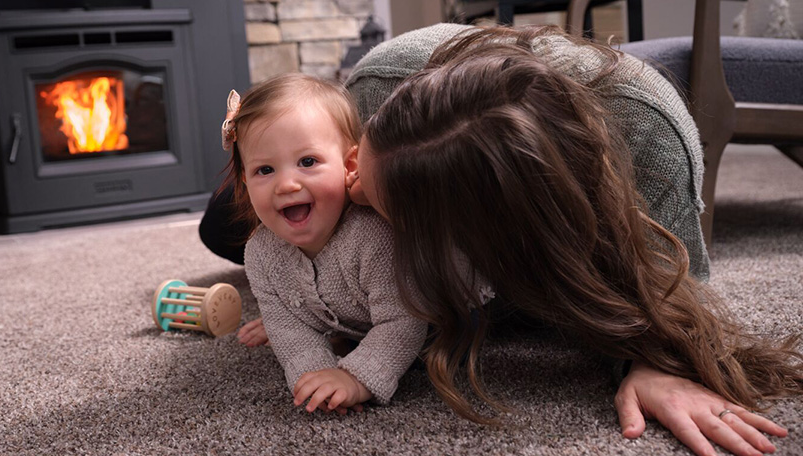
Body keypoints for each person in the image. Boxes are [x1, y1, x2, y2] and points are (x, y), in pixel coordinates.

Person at [201, 23, 802, 456]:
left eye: (374, 202)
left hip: (601, 108)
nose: (351, 193)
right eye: (360, 170)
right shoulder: (376, 89)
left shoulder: (655, 145)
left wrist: (649, 360)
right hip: (394, 99)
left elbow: (672, 289)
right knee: (223, 229)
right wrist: (308, 296)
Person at [220, 73, 433, 414]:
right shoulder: (261, 254)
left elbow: (403, 321)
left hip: (449, 317)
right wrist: (314, 377)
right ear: (245, 181)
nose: (286, 185)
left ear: (349, 165)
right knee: (289, 320)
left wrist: (356, 377)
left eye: (307, 162)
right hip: (359, 322)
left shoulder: (373, 237)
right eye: (265, 170)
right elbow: (290, 333)